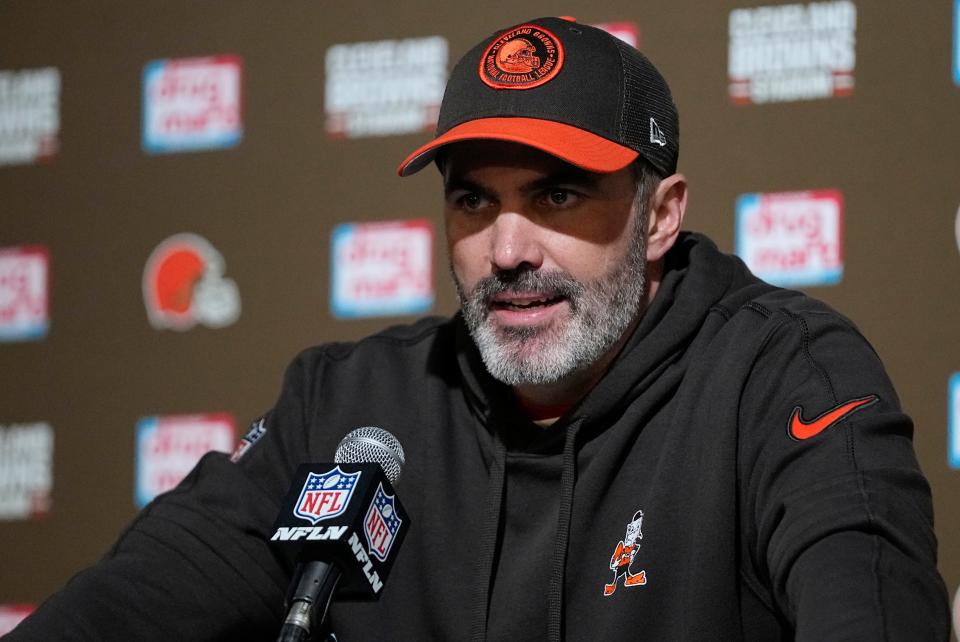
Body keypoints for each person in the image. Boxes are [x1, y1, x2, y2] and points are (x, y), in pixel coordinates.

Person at [7, 16, 949, 642]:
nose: (505, 249)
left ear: (660, 215)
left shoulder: (785, 378)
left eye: (559, 196)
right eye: (473, 201)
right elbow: (123, 611)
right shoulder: (350, 406)